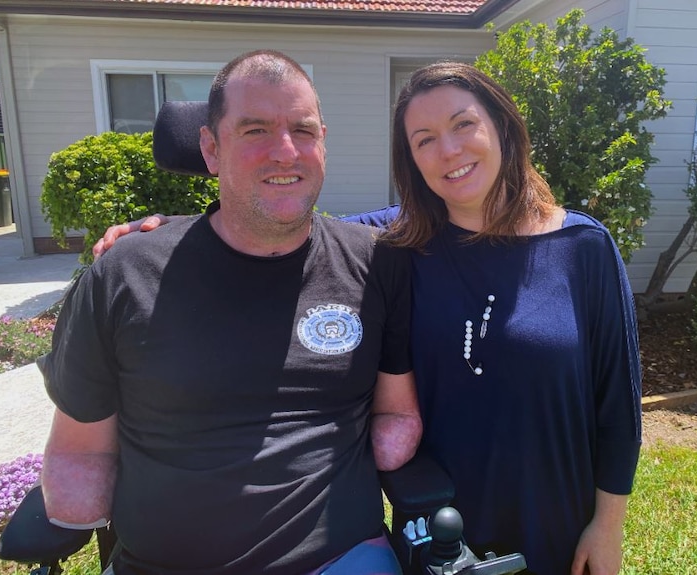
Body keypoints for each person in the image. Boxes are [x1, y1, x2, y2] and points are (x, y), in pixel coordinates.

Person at [96, 61, 643, 575]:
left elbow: (617, 405)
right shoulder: (395, 244)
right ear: (410, 158)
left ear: (502, 126)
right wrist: (171, 236)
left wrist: (608, 524)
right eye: (423, 140)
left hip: (556, 516)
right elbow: (275, 228)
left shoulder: (583, 247)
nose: (448, 150)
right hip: (437, 522)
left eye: (463, 124)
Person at [39, 49, 422, 575]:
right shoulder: (125, 273)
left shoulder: (377, 263)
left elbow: (398, 414)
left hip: (339, 558)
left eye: (303, 131)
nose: (286, 152)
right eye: (255, 130)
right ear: (210, 149)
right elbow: (80, 451)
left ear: (324, 144)